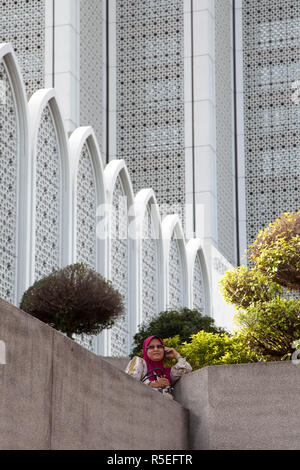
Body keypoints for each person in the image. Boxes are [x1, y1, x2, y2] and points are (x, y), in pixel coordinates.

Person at [125, 335, 192, 399]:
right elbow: (128, 383)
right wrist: (151, 384)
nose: (156, 349)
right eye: (151, 347)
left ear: (164, 350)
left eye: (159, 346)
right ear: (145, 350)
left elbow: (187, 369)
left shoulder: (167, 372)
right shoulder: (139, 362)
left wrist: (177, 355)